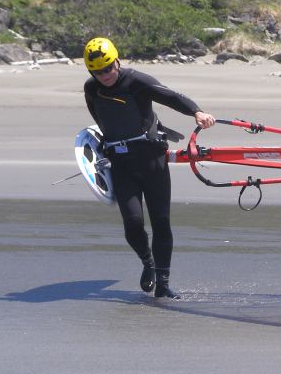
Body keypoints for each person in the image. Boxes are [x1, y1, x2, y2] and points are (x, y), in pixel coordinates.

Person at [82, 37, 215, 299]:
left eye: (108, 68)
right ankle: (148, 264)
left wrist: (197, 112)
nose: (104, 75)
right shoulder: (91, 88)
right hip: (121, 163)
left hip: (151, 159)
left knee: (161, 222)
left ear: (117, 61)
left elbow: (170, 96)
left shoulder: (137, 81)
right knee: (132, 224)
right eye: (97, 72)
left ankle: (163, 283)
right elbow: (100, 119)